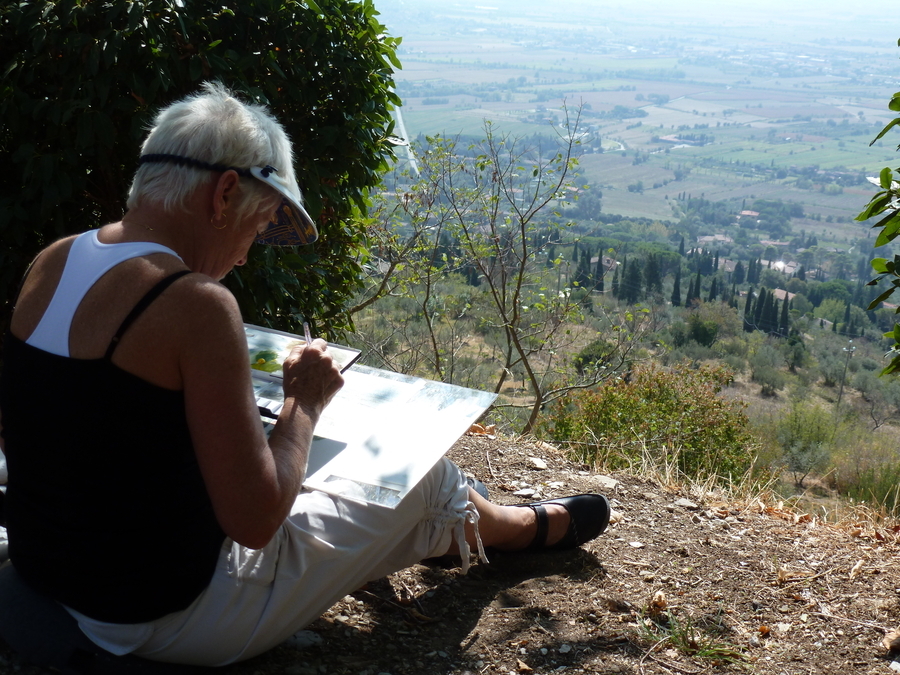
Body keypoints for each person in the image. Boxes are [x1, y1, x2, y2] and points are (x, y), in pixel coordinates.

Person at [0, 83, 610, 666]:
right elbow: (256, 520)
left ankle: (470, 532)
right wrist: (305, 402)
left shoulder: (52, 262)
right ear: (223, 195)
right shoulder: (194, 304)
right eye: (259, 226)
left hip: (52, 576)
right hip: (166, 619)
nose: (245, 256)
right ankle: (517, 529)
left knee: (349, 488)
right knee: (419, 478)